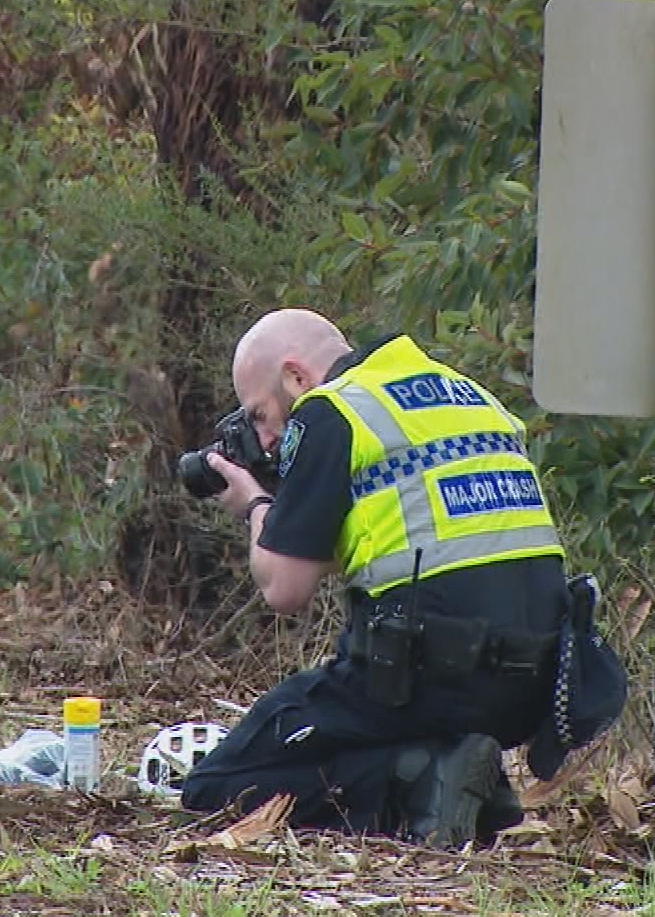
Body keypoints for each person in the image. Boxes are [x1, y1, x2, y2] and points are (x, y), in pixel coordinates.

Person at [179, 309, 577, 847]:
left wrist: (255, 503)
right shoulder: (467, 393)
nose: (268, 439)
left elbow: (284, 589)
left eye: (261, 415)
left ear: (296, 378)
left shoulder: (330, 412)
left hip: (428, 680)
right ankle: (454, 777)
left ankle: (422, 781)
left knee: (215, 786)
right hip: (537, 687)